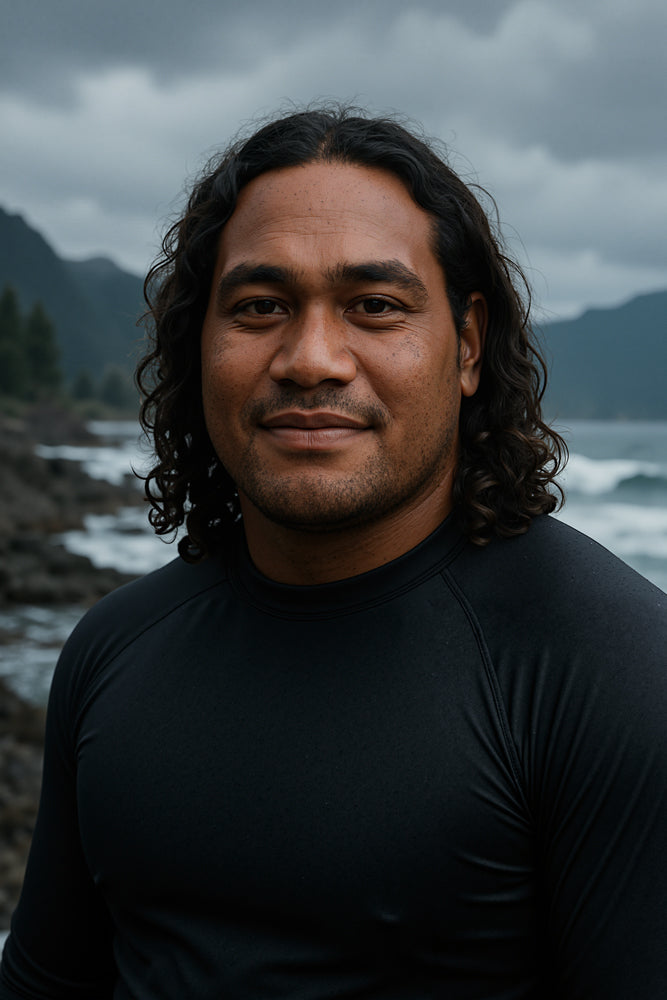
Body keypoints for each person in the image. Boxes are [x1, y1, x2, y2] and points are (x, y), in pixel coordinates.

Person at [1, 105, 666, 999]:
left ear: (467, 346)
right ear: (199, 344)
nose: (310, 358)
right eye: (261, 306)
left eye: (375, 306)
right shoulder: (113, 650)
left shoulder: (611, 670)